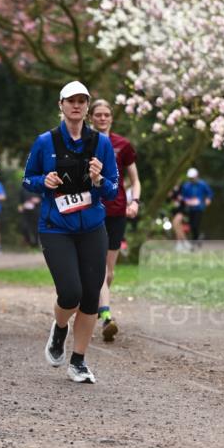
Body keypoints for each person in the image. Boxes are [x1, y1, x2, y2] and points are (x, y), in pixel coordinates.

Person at [23, 81, 119, 384]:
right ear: (61, 105)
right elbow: (27, 180)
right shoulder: (44, 142)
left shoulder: (101, 143)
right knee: (70, 293)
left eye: (82, 101)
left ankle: (78, 361)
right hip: (56, 227)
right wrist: (44, 183)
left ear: (87, 106)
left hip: (92, 226)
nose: (76, 105)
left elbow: (113, 188)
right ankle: (59, 328)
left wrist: (99, 179)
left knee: (91, 296)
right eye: (71, 100)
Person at [89, 99, 141, 341]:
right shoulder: (84, 143)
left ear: (111, 118)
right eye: (98, 114)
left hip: (118, 211)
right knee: (99, 269)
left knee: (109, 272)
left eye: (106, 114)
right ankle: (106, 315)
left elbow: (135, 179)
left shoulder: (123, 145)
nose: (102, 118)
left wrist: (134, 202)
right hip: (92, 210)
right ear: (91, 118)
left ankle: (97, 302)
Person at [173, 168, 212, 251]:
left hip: (199, 208)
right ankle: (197, 239)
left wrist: (208, 200)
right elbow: (182, 196)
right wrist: (185, 200)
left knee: (195, 225)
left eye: (193, 177)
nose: (192, 179)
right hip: (190, 208)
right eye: (190, 178)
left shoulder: (202, 184)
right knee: (191, 226)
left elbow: (209, 193)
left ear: (197, 176)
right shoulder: (186, 185)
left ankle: (195, 242)